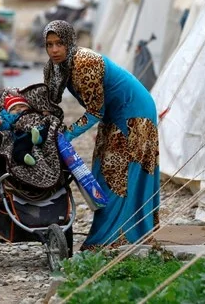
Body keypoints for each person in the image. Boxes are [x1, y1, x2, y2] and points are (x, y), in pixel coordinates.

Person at [42, 20, 160, 250]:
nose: (54, 49)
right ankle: (113, 233)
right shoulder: (57, 68)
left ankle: (118, 238)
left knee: (118, 174)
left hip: (134, 113)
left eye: (59, 43)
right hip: (114, 116)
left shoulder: (84, 62)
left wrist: (67, 133)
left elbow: (96, 111)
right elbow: (49, 102)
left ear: (69, 42)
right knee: (102, 172)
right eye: (49, 44)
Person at [0, 94, 50, 166]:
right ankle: (26, 158)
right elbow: (5, 126)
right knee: (17, 151)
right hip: (23, 136)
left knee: (47, 129)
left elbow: (43, 118)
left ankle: (38, 139)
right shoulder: (11, 118)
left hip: (36, 130)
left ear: (29, 107)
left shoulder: (33, 112)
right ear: (8, 112)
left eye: (22, 106)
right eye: (13, 108)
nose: (18, 109)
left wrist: (45, 113)